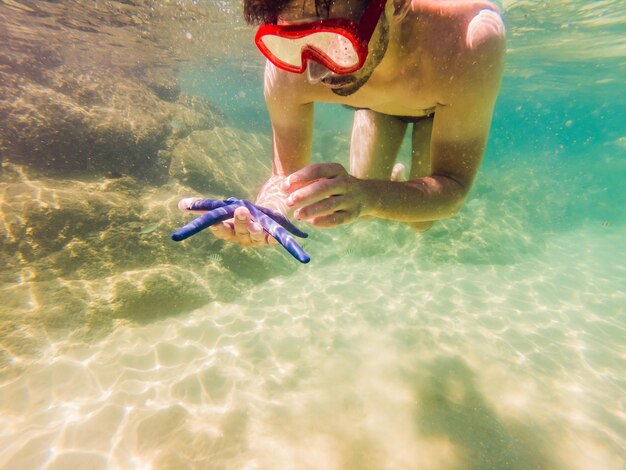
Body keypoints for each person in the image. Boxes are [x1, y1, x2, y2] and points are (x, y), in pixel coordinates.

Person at [181, 0, 505, 247]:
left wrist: (371, 195)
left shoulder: (468, 39)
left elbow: (453, 185)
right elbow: (284, 179)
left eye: (337, 43)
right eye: (292, 42)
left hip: (438, 108)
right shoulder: (289, 64)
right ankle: (391, 180)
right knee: (360, 215)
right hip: (373, 107)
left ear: (398, 5)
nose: (315, 74)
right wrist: (266, 213)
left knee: (422, 223)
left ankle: (390, 183)